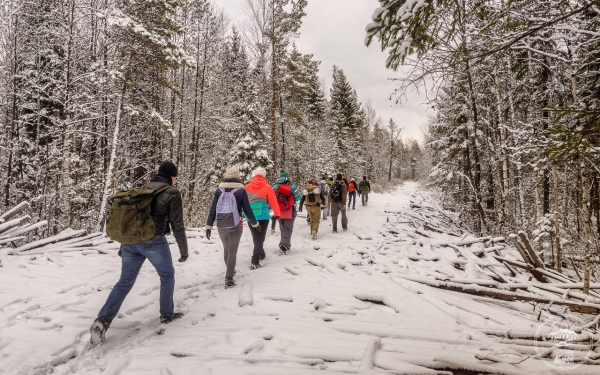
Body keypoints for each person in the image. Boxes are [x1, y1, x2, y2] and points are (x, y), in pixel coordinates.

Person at [90, 161, 188, 345]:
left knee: (124, 282)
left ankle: (102, 321)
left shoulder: (144, 189)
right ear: (171, 176)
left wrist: (124, 244)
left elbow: (133, 220)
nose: (176, 180)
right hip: (154, 242)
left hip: (131, 243)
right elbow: (178, 224)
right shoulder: (172, 192)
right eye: (175, 176)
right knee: (167, 275)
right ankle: (167, 315)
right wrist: (184, 250)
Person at [206, 167, 260, 288]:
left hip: (221, 225)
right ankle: (229, 278)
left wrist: (209, 226)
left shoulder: (219, 190)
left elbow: (213, 209)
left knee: (227, 250)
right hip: (236, 225)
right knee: (232, 251)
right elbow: (247, 209)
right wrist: (255, 223)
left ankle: (230, 271)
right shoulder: (241, 191)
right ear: (237, 176)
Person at [244, 167, 280, 269]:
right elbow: (273, 201)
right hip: (263, 216)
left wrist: (242, 213)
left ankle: (261, 254)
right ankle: (255, 260)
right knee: (260, 238)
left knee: (256, 237)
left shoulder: (246, 187)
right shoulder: (268, 187)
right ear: (264, 176)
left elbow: (243, 202)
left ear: (254, 175)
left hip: (250, 216)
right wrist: (277, 213)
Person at [272, 170, 302, 253]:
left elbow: (272, 197)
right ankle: (284, 244)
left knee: (282, 228)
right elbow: (298, 197)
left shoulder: (275, 186)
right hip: (289, 209)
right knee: (288, 228)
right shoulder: (292, 186)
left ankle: (286, 245)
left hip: (279, 210)